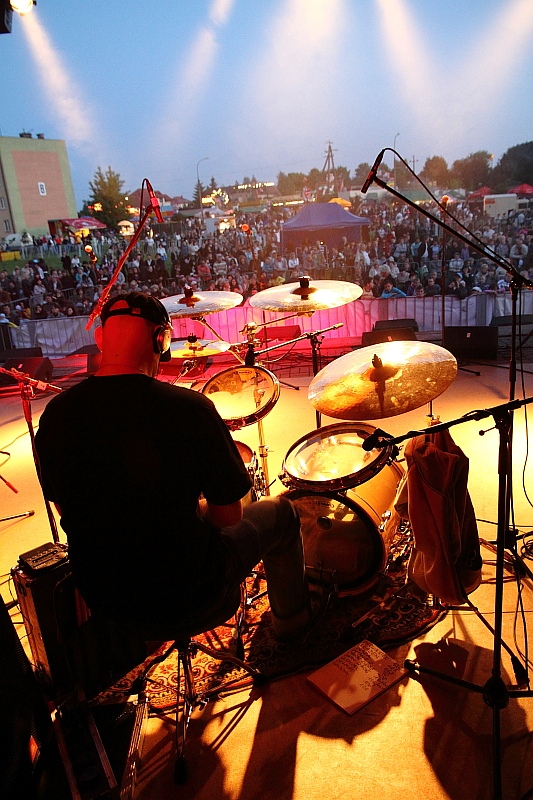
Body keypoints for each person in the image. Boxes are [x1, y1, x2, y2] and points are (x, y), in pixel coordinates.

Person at [35, 292, 310, 643]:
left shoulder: (56, 416)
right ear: (161, 339)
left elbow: (67, 507)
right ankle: (294, 625)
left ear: (100, 338)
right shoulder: (190, 409)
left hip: (106, 601)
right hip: (192, 595)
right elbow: (229, 516)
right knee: (280, 512)